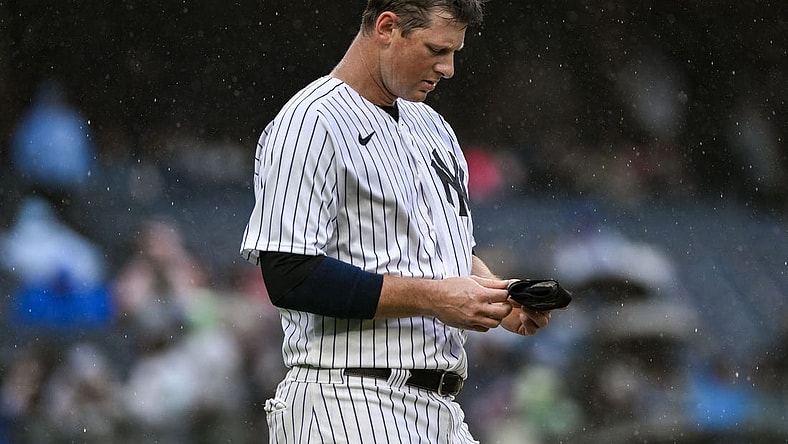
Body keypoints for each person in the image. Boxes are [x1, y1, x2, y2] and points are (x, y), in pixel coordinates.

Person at [239, 1, 551, 442]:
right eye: (437, 49)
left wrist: (497, 297)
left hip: (440, 409)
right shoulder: (310, 122)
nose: (449, 68)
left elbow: (440, 254)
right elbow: (290, 275)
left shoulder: (433, 126)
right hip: (346, 399)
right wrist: (434, 298)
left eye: (454, 52)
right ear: (388, 28)